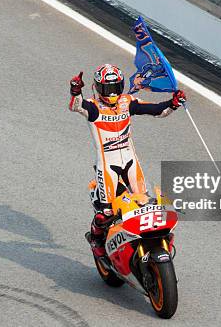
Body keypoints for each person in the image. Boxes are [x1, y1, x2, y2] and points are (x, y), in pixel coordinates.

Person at [69, 64, 186, 257]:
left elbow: (156, 109)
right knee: (105, 213)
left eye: (116, 87)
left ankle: (142, 241)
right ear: (98, 88)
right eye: (108, 88)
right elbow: (76, 106)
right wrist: (75, 90)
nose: (113, 93)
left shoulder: (127, 101)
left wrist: (173, 103)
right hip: (108, 164)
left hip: (130, 160)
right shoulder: (92, 106)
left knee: (144, 203)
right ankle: (96, 239)